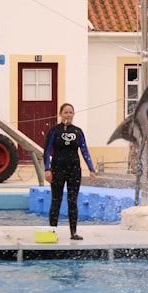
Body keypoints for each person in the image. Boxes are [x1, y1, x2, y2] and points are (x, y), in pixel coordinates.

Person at [44, 103, 96, 241]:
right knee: (56, 200)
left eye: (71, 112)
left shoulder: (78, 131)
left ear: (73, 114)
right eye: (66, 112)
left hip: (74, 170)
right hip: (57, 169)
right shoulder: (54, 131)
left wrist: (91, 169)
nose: (68, 115)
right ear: (60, 114)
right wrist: (47, 169)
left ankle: (73, 232)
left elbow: (84, 150)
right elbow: (47, 150)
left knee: (72, 201)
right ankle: (52, 231)